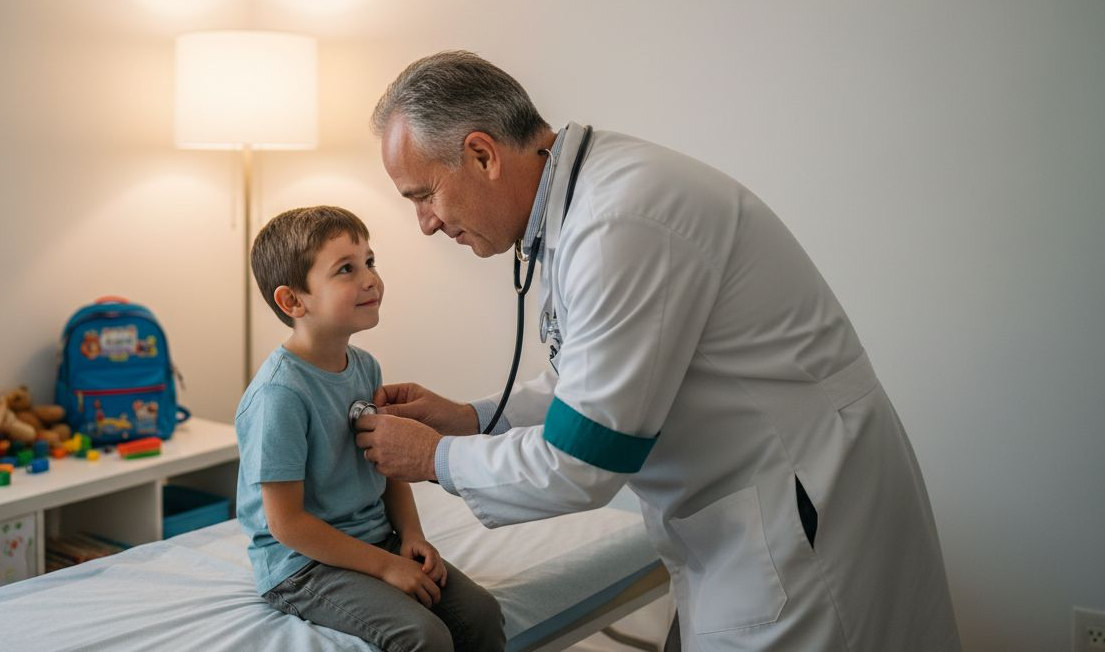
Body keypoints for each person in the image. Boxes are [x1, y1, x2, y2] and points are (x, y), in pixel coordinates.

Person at [355, 52, 961, 650]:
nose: (425, 224)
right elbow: (594, 379)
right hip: (756, 510)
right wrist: (472, 417)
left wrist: (439, 458)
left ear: (482, 154)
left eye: (423, 195)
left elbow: (581, 460)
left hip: (800, 516)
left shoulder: (619, 220)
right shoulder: (587, 199)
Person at [235, 205, 505, 652]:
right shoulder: (280, 395)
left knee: (482, 615)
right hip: (303, 566)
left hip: (376, 539)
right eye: (346, 269)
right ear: (293, 301)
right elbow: (286, 524)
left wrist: (413, 537)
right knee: (423, 636)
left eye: (370, 262)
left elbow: (387, 465)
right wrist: (384, 567)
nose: (370, 279)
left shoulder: (364, 367)